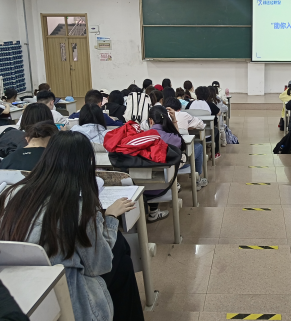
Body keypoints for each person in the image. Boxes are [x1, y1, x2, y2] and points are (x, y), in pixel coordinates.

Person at [0, 131, 143, 321]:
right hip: (69, 300)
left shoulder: (11, 194)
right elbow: (99, 265)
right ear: (86, 165)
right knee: (121, 257)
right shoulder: (76, 207)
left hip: (19, 290)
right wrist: (109, 218)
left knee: (118, 250)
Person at [148, 105, 208, 194]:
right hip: (169, 170)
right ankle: (197, 179)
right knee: (198, 147)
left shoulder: (142, 137)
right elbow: (179, 142)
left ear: (150, 121)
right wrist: (174, 120)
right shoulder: (173, 138)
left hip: (149, 176)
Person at [186, 86, 221, 159]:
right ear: (208, 95)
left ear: (196, 94)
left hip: (192, 134)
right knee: (216, 131)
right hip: (208, 135)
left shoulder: (190, 104)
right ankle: (215, 153)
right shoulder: (210, 104)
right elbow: (219, 113)